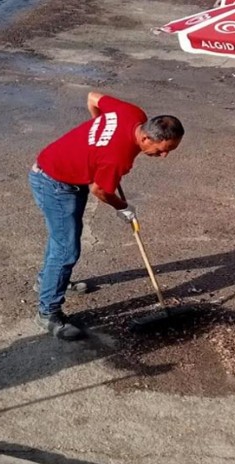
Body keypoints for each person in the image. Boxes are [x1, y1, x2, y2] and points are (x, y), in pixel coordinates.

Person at [29, 92, 184, 340]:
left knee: (61, 239)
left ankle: (47, 281)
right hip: (54, 182)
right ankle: (47, 313)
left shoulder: (133, 114)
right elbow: (100, 190)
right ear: (145, 137)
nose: (164, 156)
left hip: (65, 171)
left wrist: (98, 137)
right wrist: (122, 207)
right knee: (66, 249)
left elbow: (93, 98)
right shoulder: (117, 157)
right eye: (162, 150)